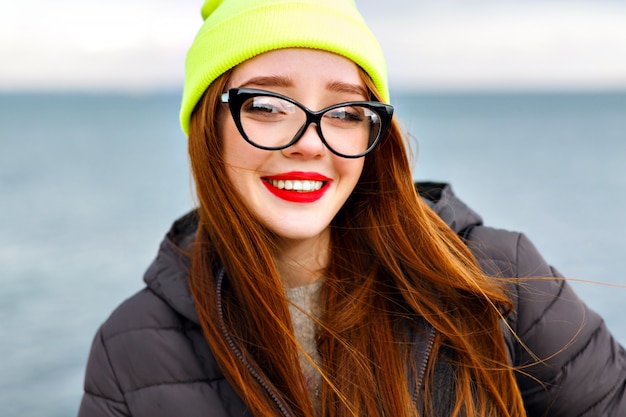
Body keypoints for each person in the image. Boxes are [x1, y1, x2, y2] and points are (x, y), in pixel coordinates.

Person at [78, 0, 626, 416]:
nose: (310, 143)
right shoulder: (132, 345)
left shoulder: (498, 276)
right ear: (208, 129)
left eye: (345, 111)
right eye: (267, 105)